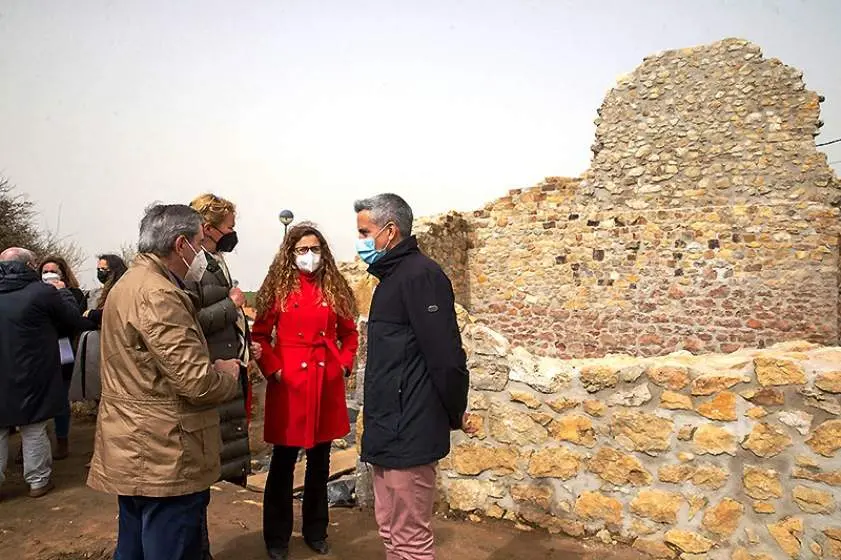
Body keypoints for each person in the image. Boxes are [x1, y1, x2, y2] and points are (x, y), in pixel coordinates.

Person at [86, 204, 242, 560]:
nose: (204, 253)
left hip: (137, 442)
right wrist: (227, 373)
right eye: (201, 242)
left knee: (136, 542)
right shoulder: (158, 294)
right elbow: (197, 382)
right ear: (181, 244)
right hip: (164, 450)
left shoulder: (130, 283)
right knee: (169, 544)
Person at [353, 194, 470, 560]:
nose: (360, 242)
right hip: (388, 429)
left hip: (409, 429)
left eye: (365, 232)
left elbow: (446, 358)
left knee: (410, 539)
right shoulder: (391, 279)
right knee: (391, 531)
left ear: (390, 231)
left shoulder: (421, 276)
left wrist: (455, 412)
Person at [252, 223, 359, 560]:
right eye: (302, 250)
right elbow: (259, 338)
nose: (309, 255)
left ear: (323, 252)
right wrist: (275, 370)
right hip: (289, 388)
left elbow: (350, 333)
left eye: (314, 249)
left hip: (324, 382)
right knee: (282, 463)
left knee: (320, 463)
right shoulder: (277, 291)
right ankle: (277, 537)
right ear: (290, 253)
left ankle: (316, 530)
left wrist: (343, 364)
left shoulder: (333, 290)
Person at [187, 193, 258, 559]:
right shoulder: (193, 266)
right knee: (199, 475)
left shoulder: (215, 260)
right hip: (211, 375)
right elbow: (189, 323)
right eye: (228, 225)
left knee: (211, 470)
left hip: (229, 370)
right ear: (208, 227)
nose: (232, 232)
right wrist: (230, 305)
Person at [0, 247, 94, 499]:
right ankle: (38, 481)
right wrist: (62, 292)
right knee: (34, 426)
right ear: (31, 265)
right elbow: (73, 320)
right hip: (33, 369)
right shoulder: (42, 293)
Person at [39, 255, 87, 460]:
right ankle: (32, 445)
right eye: (44, 271)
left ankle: (62, 440)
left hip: (63, 347)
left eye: (53, 271)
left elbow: (73, 320)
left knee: (60, 397)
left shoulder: (73, 294)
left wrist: (61, 293)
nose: (48, 275)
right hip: (37, 351)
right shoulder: (33, 294)